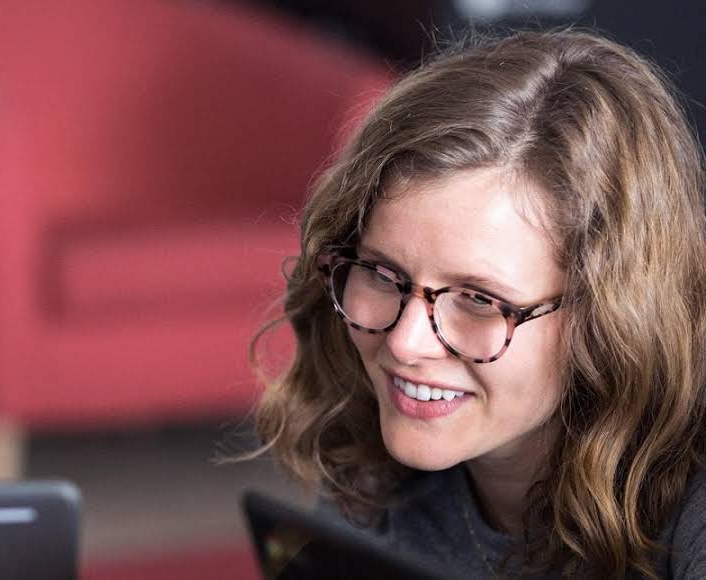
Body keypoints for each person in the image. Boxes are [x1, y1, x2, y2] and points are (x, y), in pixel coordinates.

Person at [245, 29, 706, 578]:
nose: (404, 342)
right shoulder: (371, 450)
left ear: (613, 316)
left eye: (480, 299)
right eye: (382, 273)